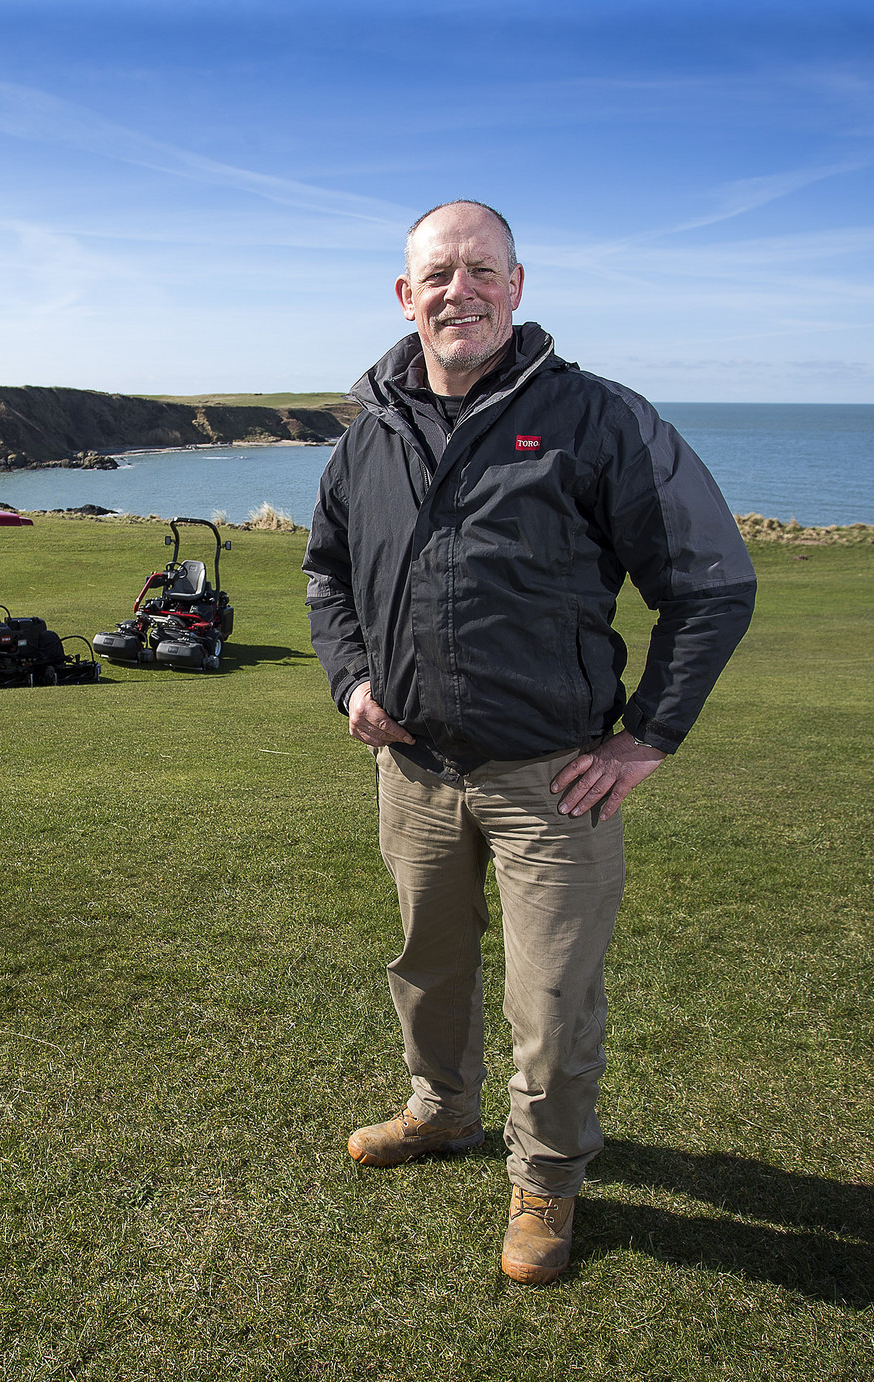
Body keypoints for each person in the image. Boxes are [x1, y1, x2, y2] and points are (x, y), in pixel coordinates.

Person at [302, 200, 755, 1285]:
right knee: (425, 966)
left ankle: (545, 1179)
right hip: (410, 771)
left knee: (548, 1000)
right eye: (436, 274)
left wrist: (645, 735)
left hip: (549, 779)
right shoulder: (366, 435)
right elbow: (325, 573)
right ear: (404, 297)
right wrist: (350, 679)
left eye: (481, 269)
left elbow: (710, 583)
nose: (459, 289)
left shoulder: (596, 419)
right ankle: (439, 1109)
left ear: (517, 285)